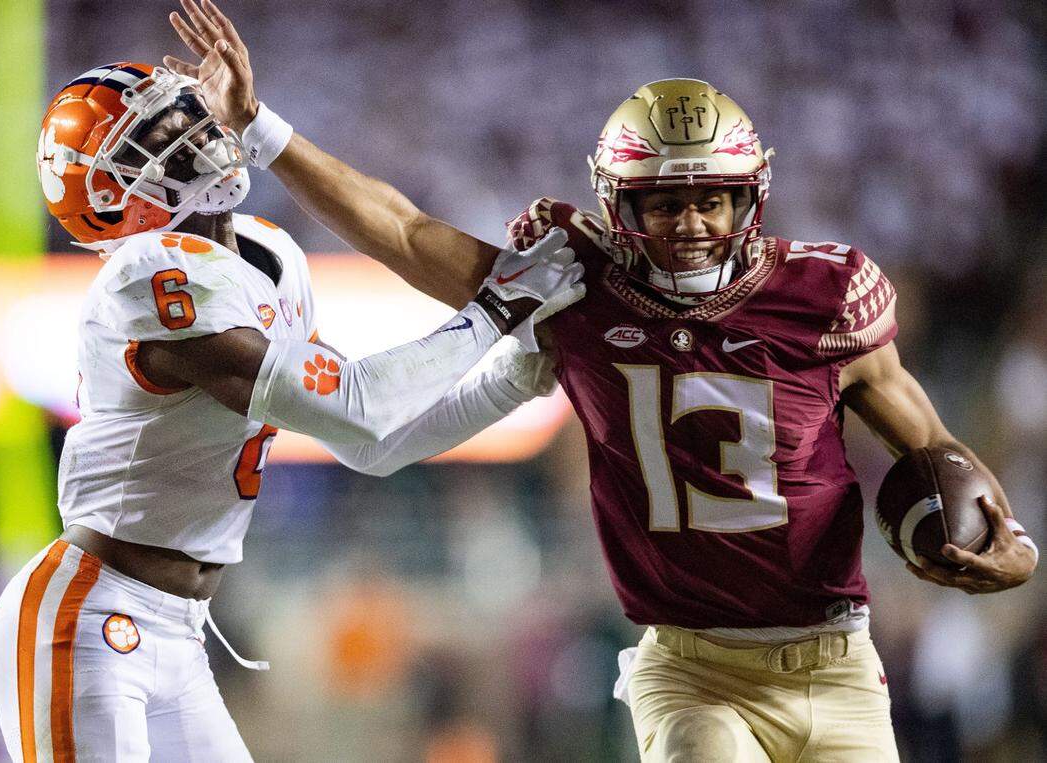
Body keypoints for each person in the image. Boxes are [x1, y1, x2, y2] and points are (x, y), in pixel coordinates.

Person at [163, 2, 1039, 760]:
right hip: (690, 667)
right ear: (620, 207)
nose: (691, 222)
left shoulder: (823, 296)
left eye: (712, 199)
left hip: (836, 658)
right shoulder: (577, 284)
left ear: (751, 198)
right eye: (663, 201)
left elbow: (930, 445)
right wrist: (261, 128)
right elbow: (404, 230)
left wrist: (1010, 539)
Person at [0, 59, 584, 761]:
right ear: (115, 193)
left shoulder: (269, 252)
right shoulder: (146, 277)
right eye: (159, 137)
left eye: (189, 116)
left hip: (180, 629)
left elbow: (370, 442)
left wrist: (511, 381)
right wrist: (495, 310)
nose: (198, 137)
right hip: (88, 618)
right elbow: (361, 406)